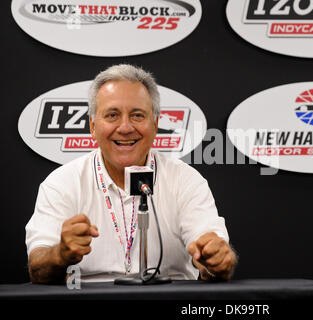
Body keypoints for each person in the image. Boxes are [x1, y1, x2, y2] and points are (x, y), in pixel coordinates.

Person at [25, 64, 237, 283]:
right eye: (112, 115)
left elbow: (217, 258)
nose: (125, 127)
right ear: (92, 126)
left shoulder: (185, 180)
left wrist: (215, 258)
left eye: (137, 115)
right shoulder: (61, 183)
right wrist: (60, 254)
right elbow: (37, 268)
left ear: (155, 125)